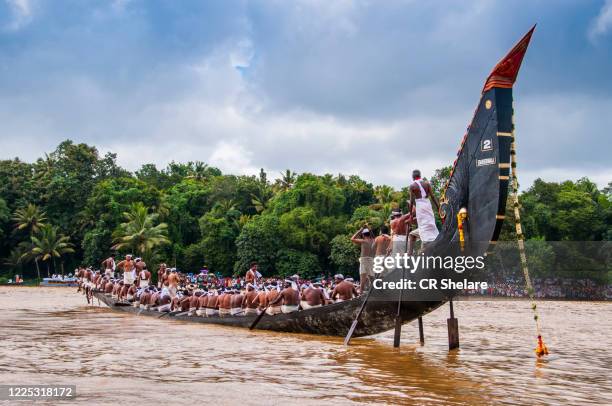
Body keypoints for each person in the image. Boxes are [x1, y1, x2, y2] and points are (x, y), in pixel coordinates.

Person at [409, 169, 440, 253]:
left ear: (413, 177)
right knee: (430, 221)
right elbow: (433, 197)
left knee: (423, 224)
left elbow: (411, 201)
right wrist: (439, 208)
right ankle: (434, 238)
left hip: (420, 205)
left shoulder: (412, 186)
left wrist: (411, 215)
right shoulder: (427, 183)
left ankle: (426, 241)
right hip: (427, 204)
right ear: (420, 176)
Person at [351, 225, 375, 292]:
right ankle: (377, 292)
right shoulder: (373, 240)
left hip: (364, 260)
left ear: (363, 235)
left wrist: (360, 230)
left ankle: (361, 293)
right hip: (371, 260)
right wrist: (369, 229)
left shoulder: (363, 241)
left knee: (362, 279)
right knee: (372, 278)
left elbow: (352, 238)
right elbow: (373, 236)